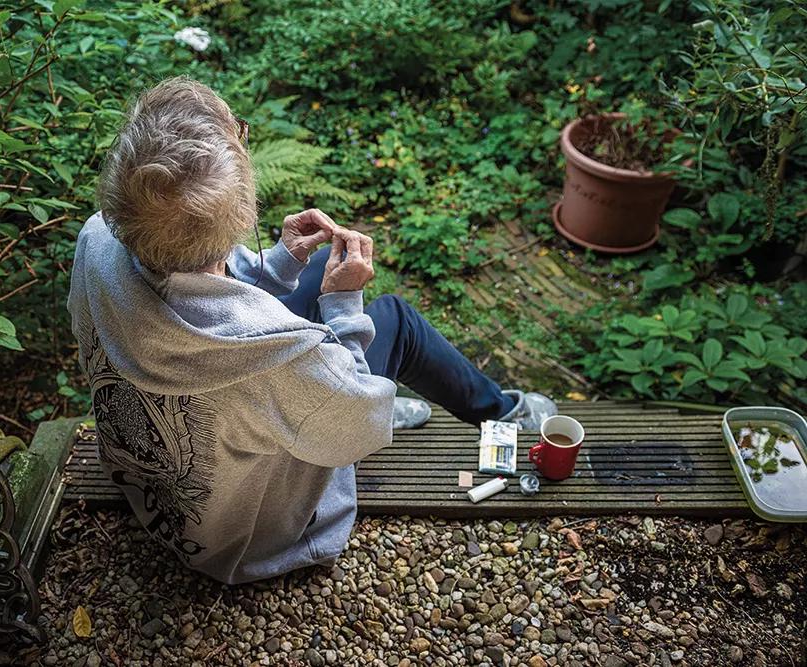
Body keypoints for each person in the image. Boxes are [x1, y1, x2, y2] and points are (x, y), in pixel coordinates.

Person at [67, 76, 556, 584]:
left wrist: (279, 262)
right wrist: (343, 304)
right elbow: (358, 423)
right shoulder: (287, 359)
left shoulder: (99, 238)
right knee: (395, 321)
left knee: (334, 315)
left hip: (152, 492)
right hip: (244, 539)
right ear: (237, 218)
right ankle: (504, 413)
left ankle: (343, 397)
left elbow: (190, 288)